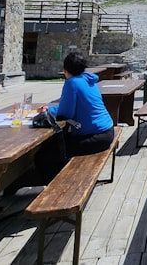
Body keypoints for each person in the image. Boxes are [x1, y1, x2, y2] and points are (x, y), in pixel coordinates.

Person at [34, 52, 116, 183]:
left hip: (94, 136)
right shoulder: (89, 80)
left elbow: (65, 113)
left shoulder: (72, 82)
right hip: (106, 132)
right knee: (54, 146)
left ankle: (59, 187)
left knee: (43, 156)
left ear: (65, 70)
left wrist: (49, 109)